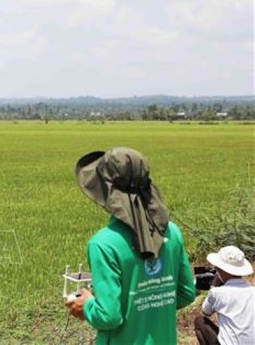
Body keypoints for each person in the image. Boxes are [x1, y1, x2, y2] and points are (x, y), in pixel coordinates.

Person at [65, 147, 196, 344]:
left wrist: (86, 306)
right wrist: (153, 304)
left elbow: (108, 316)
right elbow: (186, 293)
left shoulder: (103, 244)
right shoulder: (172, 233)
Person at [194, 245, 254, 345]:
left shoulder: (217, 293)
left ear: (221, 270)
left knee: (199, 321)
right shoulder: (253, 291)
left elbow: (206, 311)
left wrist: (214, 285)